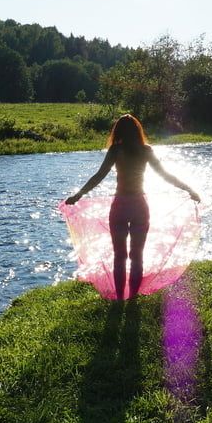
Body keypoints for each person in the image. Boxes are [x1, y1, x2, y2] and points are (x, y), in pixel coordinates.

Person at [65, 114, 201, 300]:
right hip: (139, 206)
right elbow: (165, 175)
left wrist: (78, 194)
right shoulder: (146, 151)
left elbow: (99, 176)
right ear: (138, 131)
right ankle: (134, 298)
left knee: (119, 256)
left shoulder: (115, 150)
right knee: (137, 255)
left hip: (120, 206)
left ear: (118, 132)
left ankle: (121, 298)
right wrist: (188, 189)